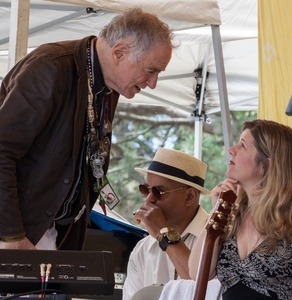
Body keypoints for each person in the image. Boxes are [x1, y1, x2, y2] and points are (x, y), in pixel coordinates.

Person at [0, 8, 173, 250]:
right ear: (119, 52)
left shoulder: (109, 84)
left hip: (54, 234)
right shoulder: (51, 67)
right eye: (151, 70)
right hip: (17, 235)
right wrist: (10, 234)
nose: (153, 83)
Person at [189, 119, 292, 300]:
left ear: (265, 165)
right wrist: (217, 210)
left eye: (242, 145)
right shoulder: (232, 214)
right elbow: (196, 272)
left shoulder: (288, 217)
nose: (231, 149)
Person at [122, 147, 210, 300]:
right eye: (145, 189)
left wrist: (163, 232)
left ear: (190, 196)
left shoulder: (217, 238)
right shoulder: (143, 249)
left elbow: (206, 291)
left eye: (158, 192)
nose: (148, 199)